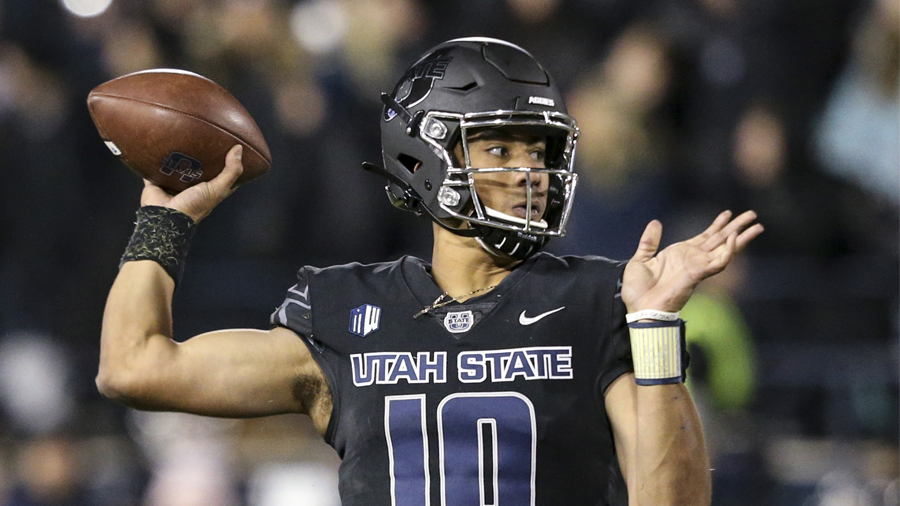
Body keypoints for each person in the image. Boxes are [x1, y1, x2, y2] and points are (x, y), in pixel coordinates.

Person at [97, 37, 763, 505]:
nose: (529, 171)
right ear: (422, 159)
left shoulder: (597, 300)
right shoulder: (347, 310)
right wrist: (163, 219)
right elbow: (133, 367)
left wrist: (652, 325)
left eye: (539, 150)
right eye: (500, 146)